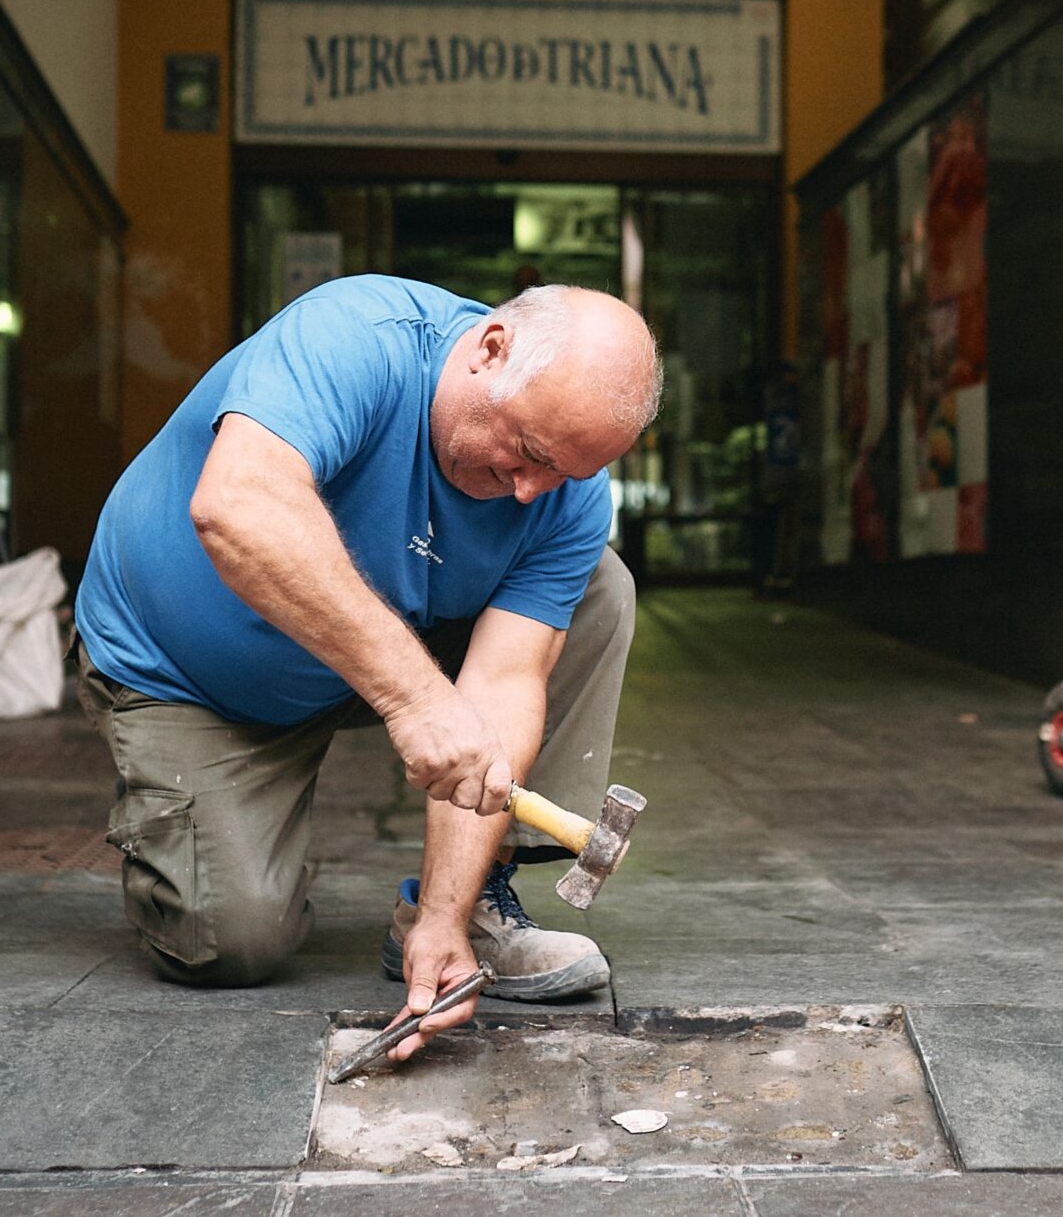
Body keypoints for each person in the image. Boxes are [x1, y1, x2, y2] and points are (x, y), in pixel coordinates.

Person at [72, 275, 659, 1066]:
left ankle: (474, 902)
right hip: (186, 669)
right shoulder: (356, 339)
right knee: (230, 941)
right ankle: (194, 815)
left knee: (598, 585)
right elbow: (237, 506)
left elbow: (506, 682)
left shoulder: (562, 494)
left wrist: (442, 918)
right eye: (527, 453)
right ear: (491, 351)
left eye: (566, 473)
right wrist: (415, 697)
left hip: (378, 638)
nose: (531, 491)